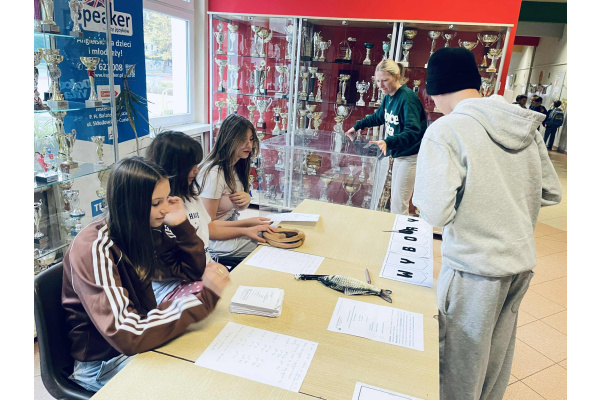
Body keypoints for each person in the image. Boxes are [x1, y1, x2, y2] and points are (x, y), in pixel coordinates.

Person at [412, 47, 562, 400]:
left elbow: (435, 212)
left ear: (435, 88)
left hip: (473, 267)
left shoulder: (447, 129)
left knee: (458, 367)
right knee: (494, 363)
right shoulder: (522, 123)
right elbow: (551, 191)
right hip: (518, 263)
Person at [61, 156, 231, 392]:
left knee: (212, 361)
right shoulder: (94, 247)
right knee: (197, 384)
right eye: (156, 203)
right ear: (130, 204)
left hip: (139, 343)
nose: (166, 209)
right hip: (104, 364)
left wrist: (181, 225)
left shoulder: (145, 229)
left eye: (167, 199)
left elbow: (192, 271)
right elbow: (127, 334)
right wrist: (202, 300)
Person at [146, 130, 274, 268]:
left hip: (206, 266)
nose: (196, 170)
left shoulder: (191, 194)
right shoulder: (160, 210)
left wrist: (248, 226)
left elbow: (209, 226)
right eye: (191, 165)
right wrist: (245, 229)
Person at [345, 59, 427, 215]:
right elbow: (379, 117)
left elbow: (413, 131)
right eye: (378, 81)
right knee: (395, 200)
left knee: (399, 202)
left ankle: (399, 230)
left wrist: (388, 141)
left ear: (397, 76)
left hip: (410, 156)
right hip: (398, 154)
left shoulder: (407, 98)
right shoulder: (389, 96)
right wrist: (358, 126)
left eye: (385, 80)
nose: (380, 85)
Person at [197, 114, 273, 265]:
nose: (249, 145)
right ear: (229, 139)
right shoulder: (214, 174)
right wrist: (248, 224)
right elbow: (208, 227)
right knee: (269, 245)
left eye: (251, 139)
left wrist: (246, 199)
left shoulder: (237, 165)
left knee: (271, 233)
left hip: (227, 229)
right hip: (212, 241)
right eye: (243, 140)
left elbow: (234, 207)